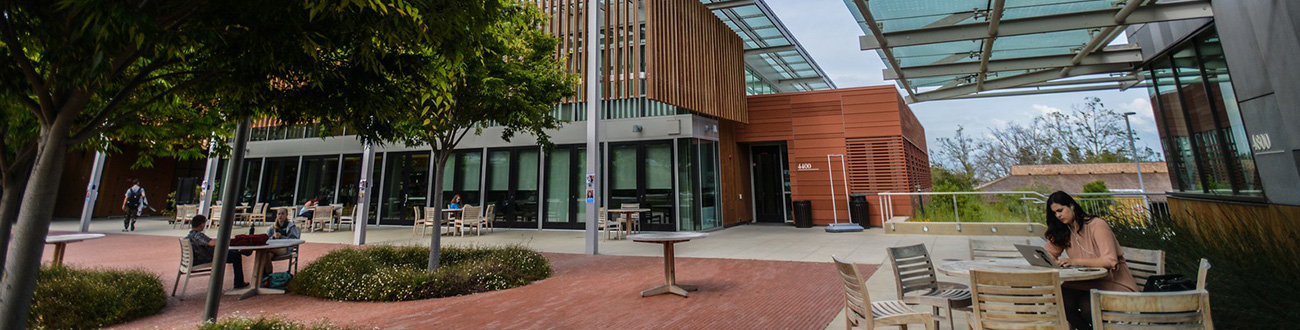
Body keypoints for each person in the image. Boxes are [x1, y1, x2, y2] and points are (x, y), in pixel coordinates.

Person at [1042, 191, 1138, 330]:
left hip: (1113, 282)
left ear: (1072, 206)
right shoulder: (1065, 229)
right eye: (1054, 213)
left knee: (1087, 305)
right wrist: (1050, 260)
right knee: (1061, 298)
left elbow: (1109, 260)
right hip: (1085, 282)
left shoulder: (1096, 225)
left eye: (1060, 210)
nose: (1058, 216)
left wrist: (1074, 261)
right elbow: (1049, 253)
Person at [186, 215, 251, 289]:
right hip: (208, 258)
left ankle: (243, 251)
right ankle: (239, 282)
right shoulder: (197, 235)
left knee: (232, 252)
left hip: (202, 257)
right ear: (201, 224)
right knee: (236, 256)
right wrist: (223, 239)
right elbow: (211, 243)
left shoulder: (190, 235)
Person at [263, 208, 301, 276]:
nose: (280, 216)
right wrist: (273, 237)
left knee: (264, 251)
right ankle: (268, 276)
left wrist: (281, 237)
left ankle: (266, 277)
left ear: (286, 215)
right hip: (273, 247)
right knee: (267, 255)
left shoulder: (291, 226)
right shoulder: (272, 227)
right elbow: (266, 239)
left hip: (285, 248)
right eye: (279, 214)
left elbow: (294, 240)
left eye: (283, 214)